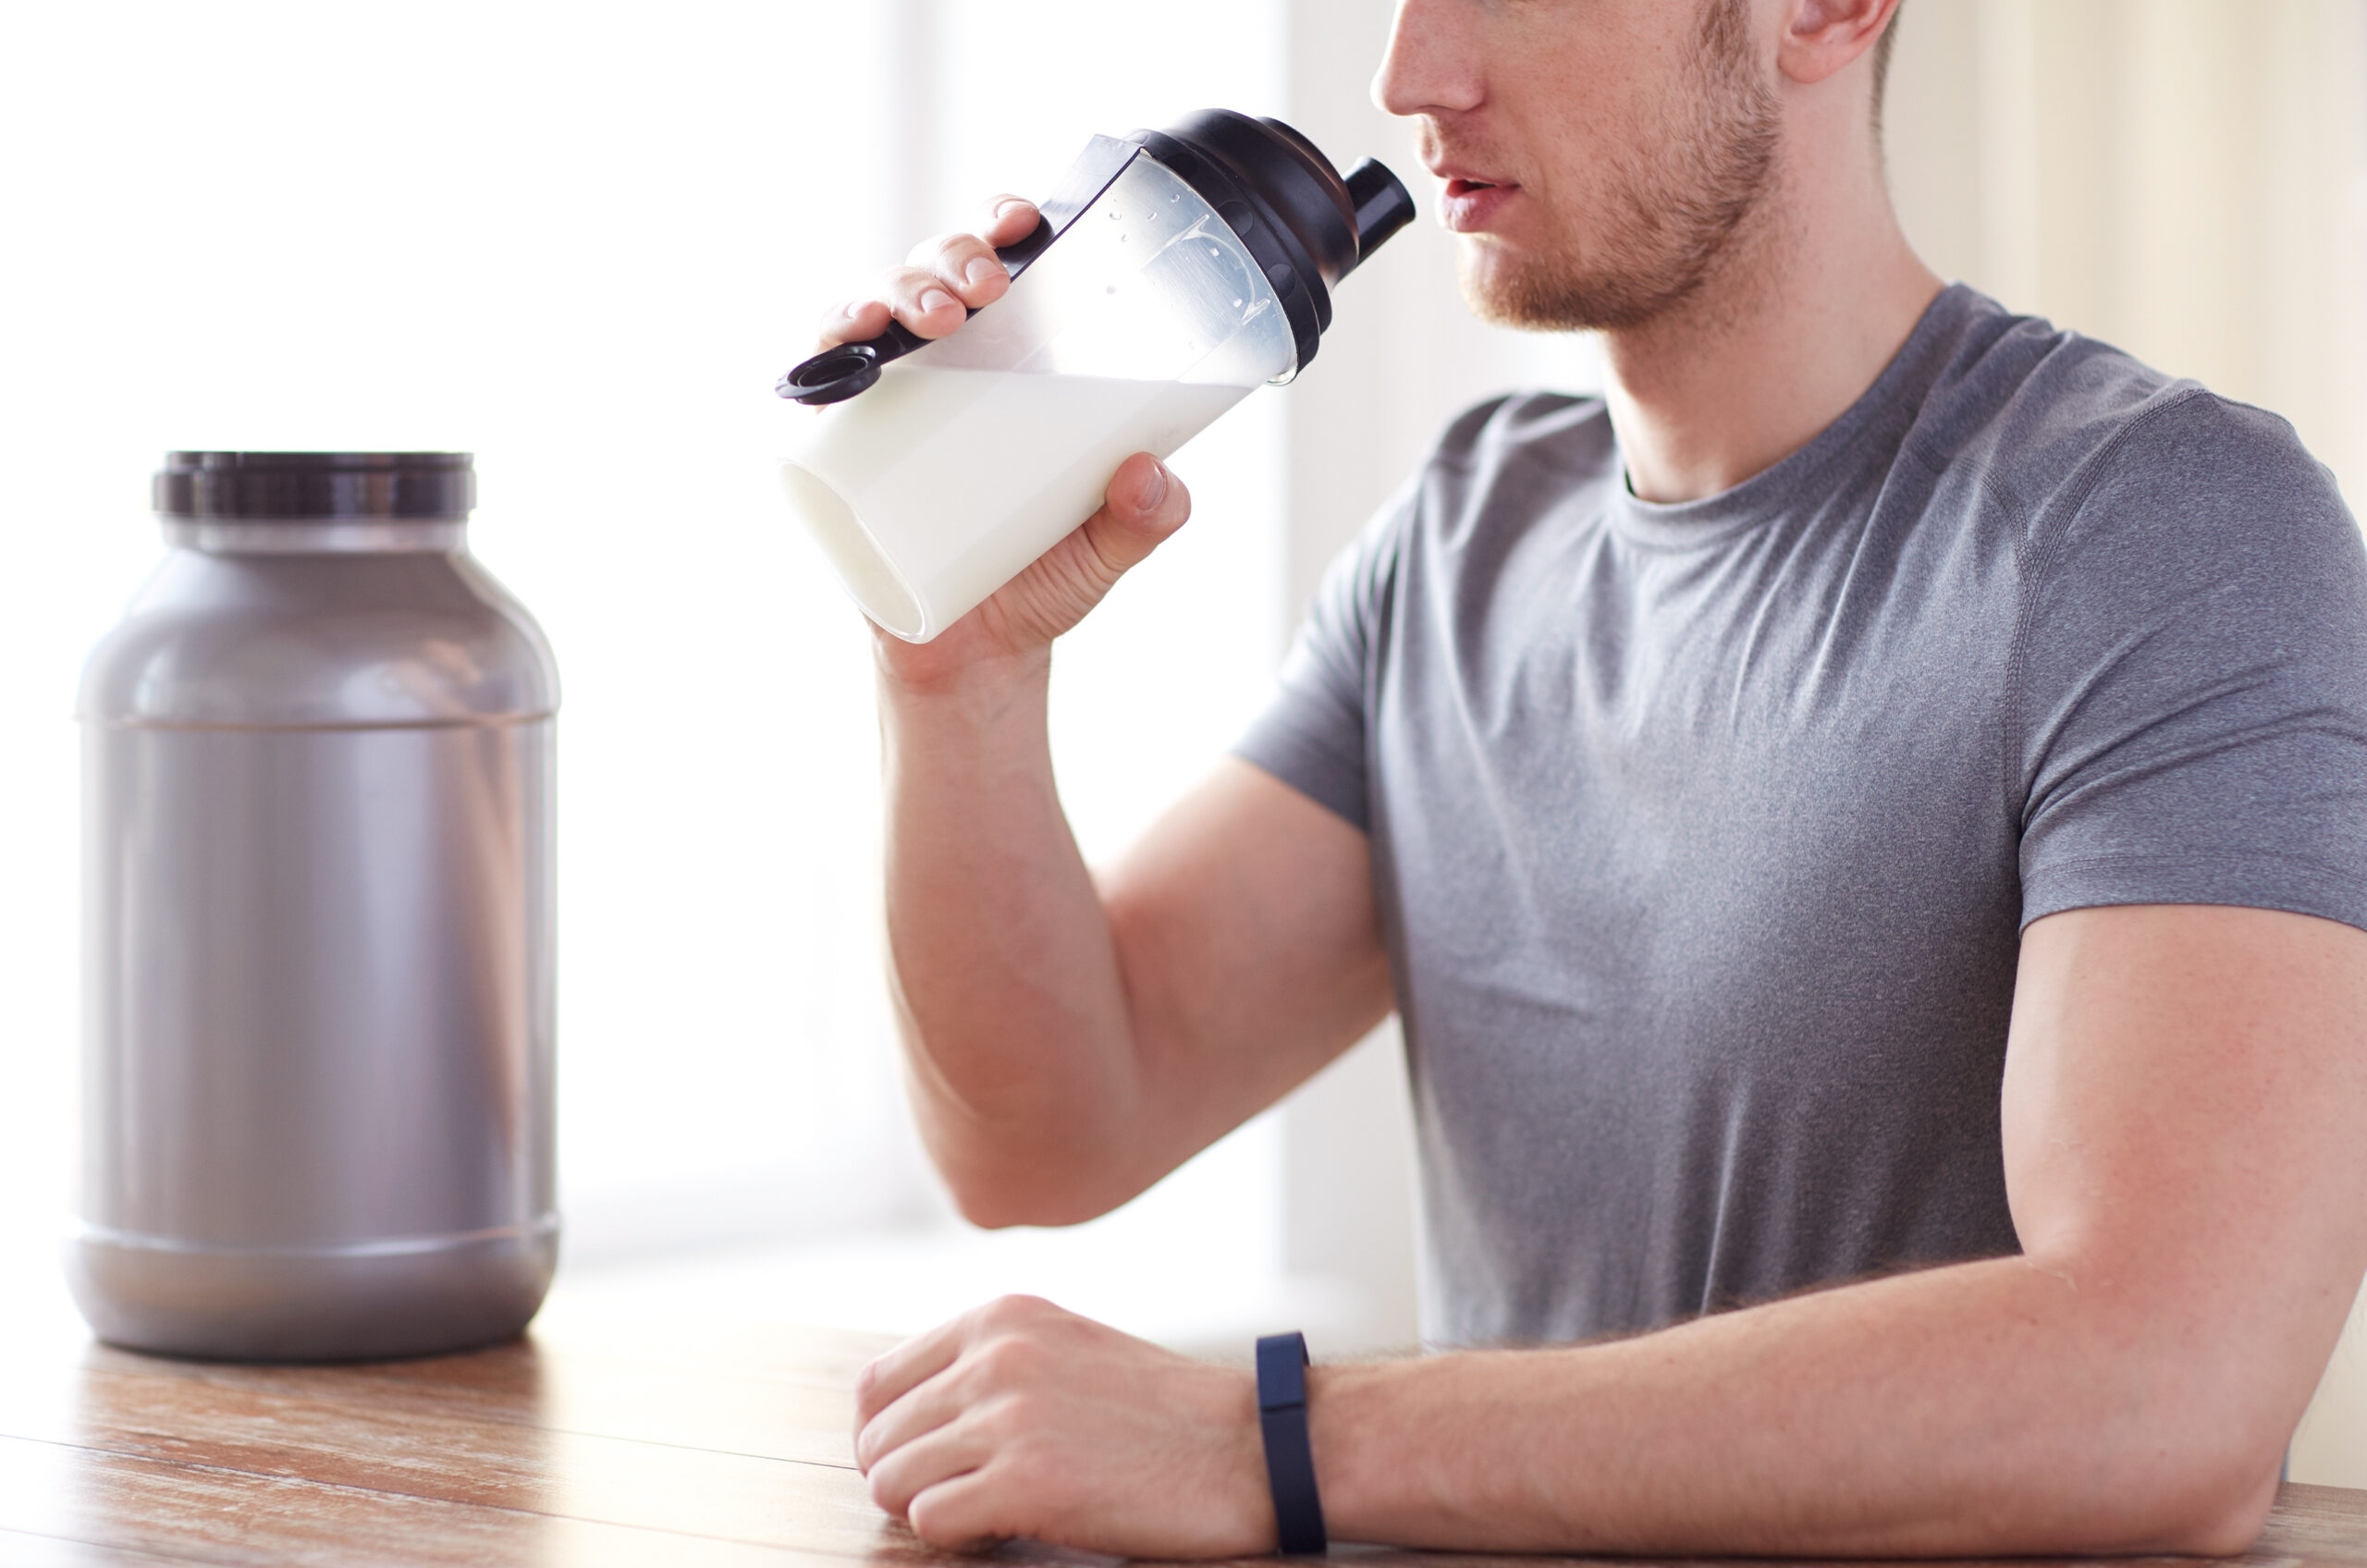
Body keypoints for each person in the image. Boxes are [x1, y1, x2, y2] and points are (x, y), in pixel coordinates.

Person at [815, 0, 2367, 1557]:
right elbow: (1047, 1129)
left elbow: (2169, 1392)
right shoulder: (1461, 548)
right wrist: (957, 673)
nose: (1411, 79)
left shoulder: (2165, 530)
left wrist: (1268, 1444)